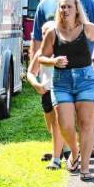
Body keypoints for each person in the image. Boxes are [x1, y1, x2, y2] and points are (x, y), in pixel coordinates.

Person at [39, 0, 94, 181]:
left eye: (69, 6)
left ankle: (85, 167)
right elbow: (41, 57)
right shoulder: (53, 31)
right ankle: (74, 152)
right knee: (65, 124)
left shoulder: (86, 28)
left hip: (86, 79)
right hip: (62, 82)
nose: (65, 10)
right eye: (62, 6)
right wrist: (54, 61)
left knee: (86, 124)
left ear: (77, 9)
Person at [27, 21, 65, 169]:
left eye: (47, 32)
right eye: (43, 33)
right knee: (51, 127)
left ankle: (62, 155)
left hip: (60, 91)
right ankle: (59, 150)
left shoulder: (62, 49)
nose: (45, 35)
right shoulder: (40, 53)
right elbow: (31, 72)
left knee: (59, 124)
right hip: (46, 91)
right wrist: (36, 84)